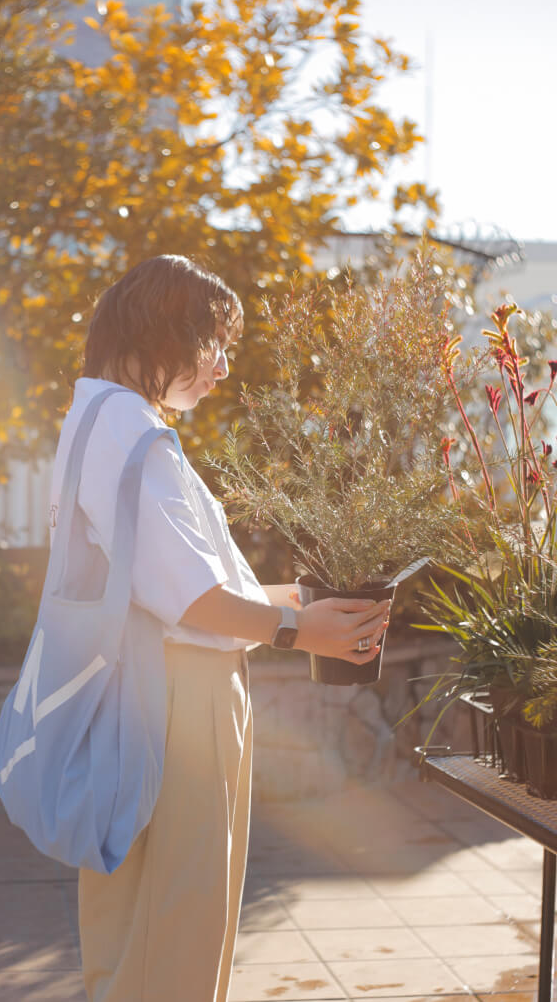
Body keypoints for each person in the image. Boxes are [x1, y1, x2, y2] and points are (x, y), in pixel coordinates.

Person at [49, 255, 390, 1002]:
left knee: (143, 929)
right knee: (175, 934)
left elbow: (189, 583)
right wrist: (302, 630)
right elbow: (193, 601)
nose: (224, 369)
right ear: (165, 332)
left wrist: (306, 599)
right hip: (176, 700)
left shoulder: (105, 421)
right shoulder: (126, 431)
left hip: (151, 692)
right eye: (215, 345)